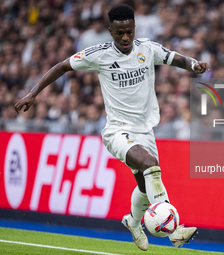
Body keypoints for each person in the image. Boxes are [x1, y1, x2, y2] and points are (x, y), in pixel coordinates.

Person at [14, 4, 209, 251]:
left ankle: (132, 222)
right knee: (150, 165)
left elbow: (173, 57)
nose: (125, 37)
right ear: (110, 31)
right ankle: (175, 231)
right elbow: (63, 65)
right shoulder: (99, 54)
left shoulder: (147, 49)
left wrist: (193, 65)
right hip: (117, 131)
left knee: (144, 187)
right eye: (120, 33)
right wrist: (33, 93)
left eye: (129, 31)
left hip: (145, 130)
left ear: (134, 28)